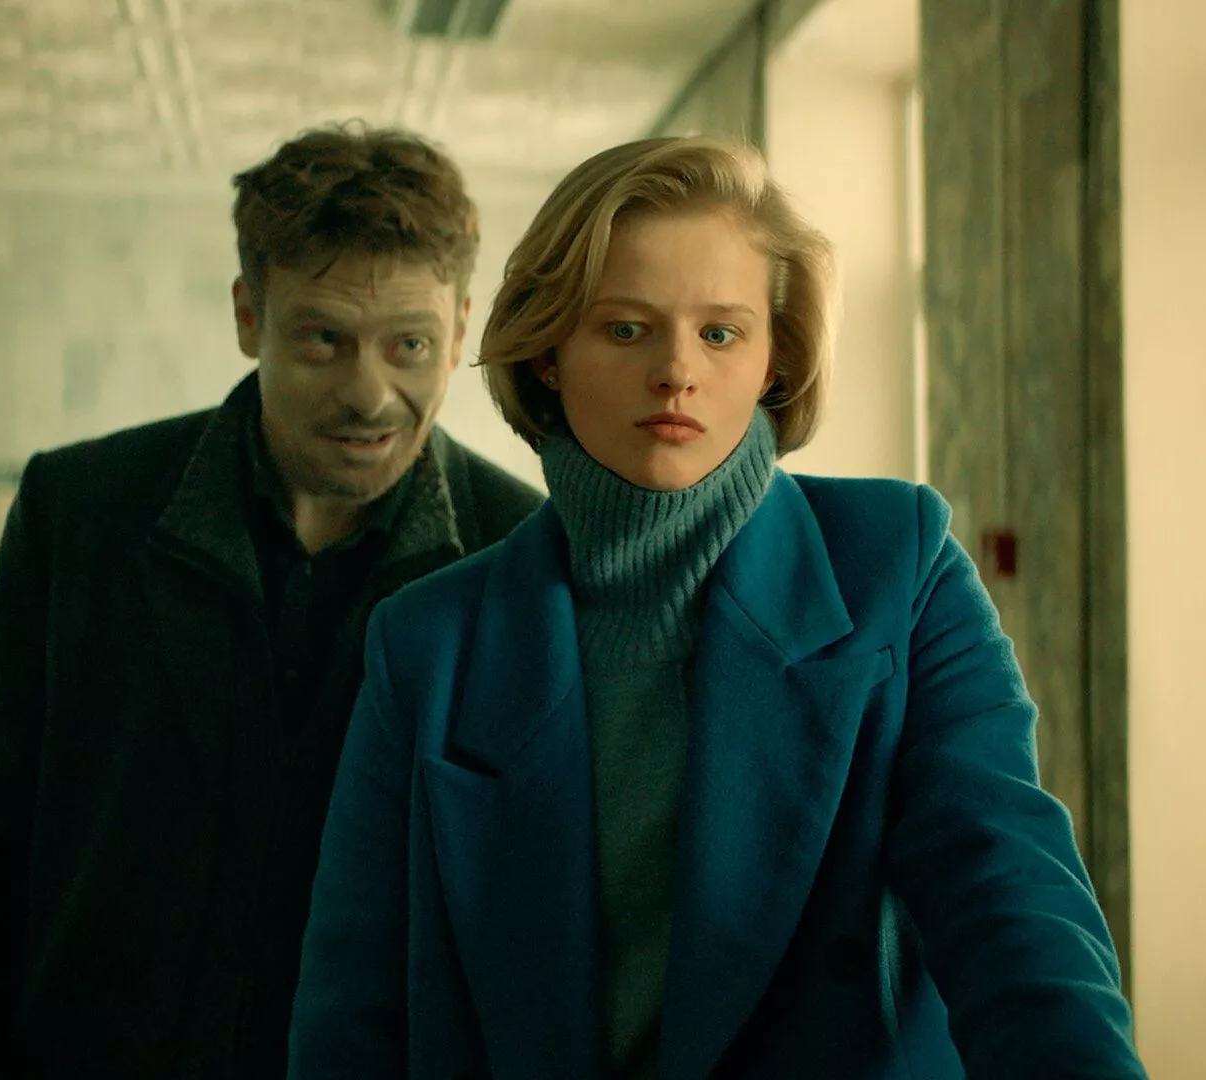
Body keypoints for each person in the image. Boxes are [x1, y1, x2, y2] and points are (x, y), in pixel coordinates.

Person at [286, 136, 1149, 1079]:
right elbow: (353, 1012)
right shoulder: (428, 641)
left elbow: (1007, 891)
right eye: (626, 329)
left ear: (776, 358)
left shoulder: (897, 567)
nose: (675, 371)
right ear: (548, 356)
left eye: (721, 333)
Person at [0, 122, 545, 1079]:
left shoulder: (519, 559)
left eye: (409, 345)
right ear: (249, 317)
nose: (369, 393)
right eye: (323, 339)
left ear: (460, 331)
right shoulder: (81, 514)